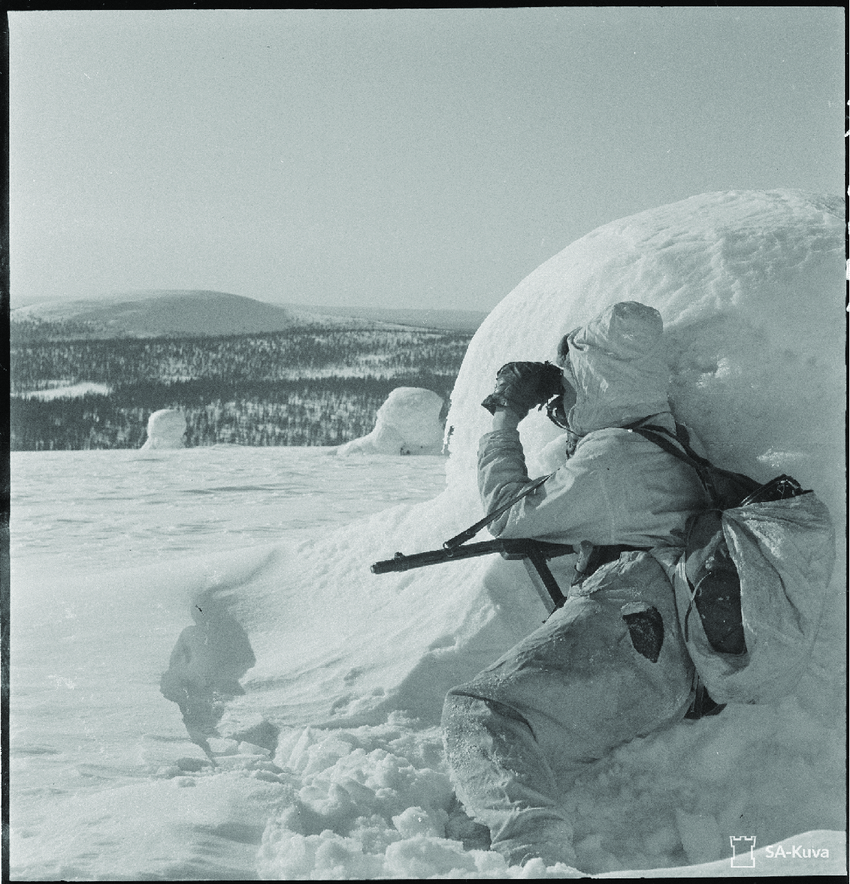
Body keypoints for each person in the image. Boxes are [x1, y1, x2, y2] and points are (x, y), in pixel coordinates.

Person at [441, 301, 709, 868]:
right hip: (666, 652)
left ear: (593, 379)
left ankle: (531, 857)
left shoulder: (614, 454)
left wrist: (504, 418)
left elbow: (511, 515)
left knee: (477, 710)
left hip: (631, 624)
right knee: (527, 736)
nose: (563, 398)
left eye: (570, 382)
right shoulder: (663, 443)